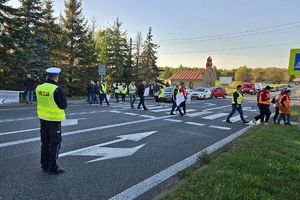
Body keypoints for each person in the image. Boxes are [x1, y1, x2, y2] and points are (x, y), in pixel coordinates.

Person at [35, 67, 67, 174]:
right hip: (54, 119)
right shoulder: (57, 89)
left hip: (42, 118)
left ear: (47, 76)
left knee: (45, 142)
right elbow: (63, 105)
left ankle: (44, 165)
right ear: (56, 77)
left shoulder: (39, 87)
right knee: (55, 143)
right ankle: (52, 167)